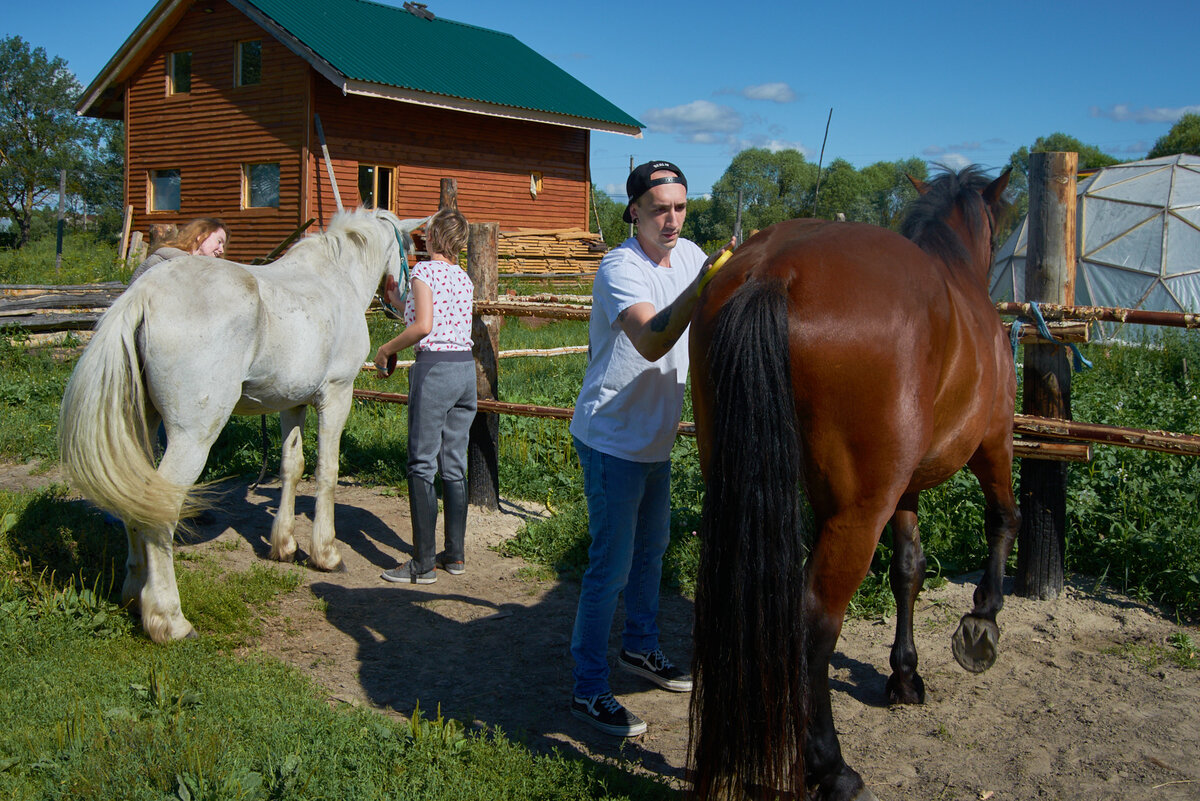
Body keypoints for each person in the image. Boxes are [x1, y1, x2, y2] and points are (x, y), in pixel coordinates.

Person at [567, 160, 733, 737]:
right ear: (633, 210)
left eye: (681, 208)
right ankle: (588, 687)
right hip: (612, 437)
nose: (672, 219)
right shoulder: (620, 267)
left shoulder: (689, 256)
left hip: (654, 439)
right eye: (659, 208)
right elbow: (653, 336)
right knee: (609, 568)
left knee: (652, 551)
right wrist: (706, 281)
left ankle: (639, 646)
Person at [374, 208, 476, 585]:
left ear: (432, 237)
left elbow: (424, 326)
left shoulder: (423, 271)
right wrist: (398, 302)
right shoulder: (463, 278)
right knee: (453, 464)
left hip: (435, 372)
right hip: (464, 372)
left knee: (421, 464)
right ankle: (455, 555)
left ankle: (421, 563)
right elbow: (435, 317)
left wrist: (385, 350)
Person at [129, 217, 229, 284]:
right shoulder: (159, 262)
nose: (222, 250)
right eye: (219, 242)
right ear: (201, 235)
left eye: (223, 246)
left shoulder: (201, 272)